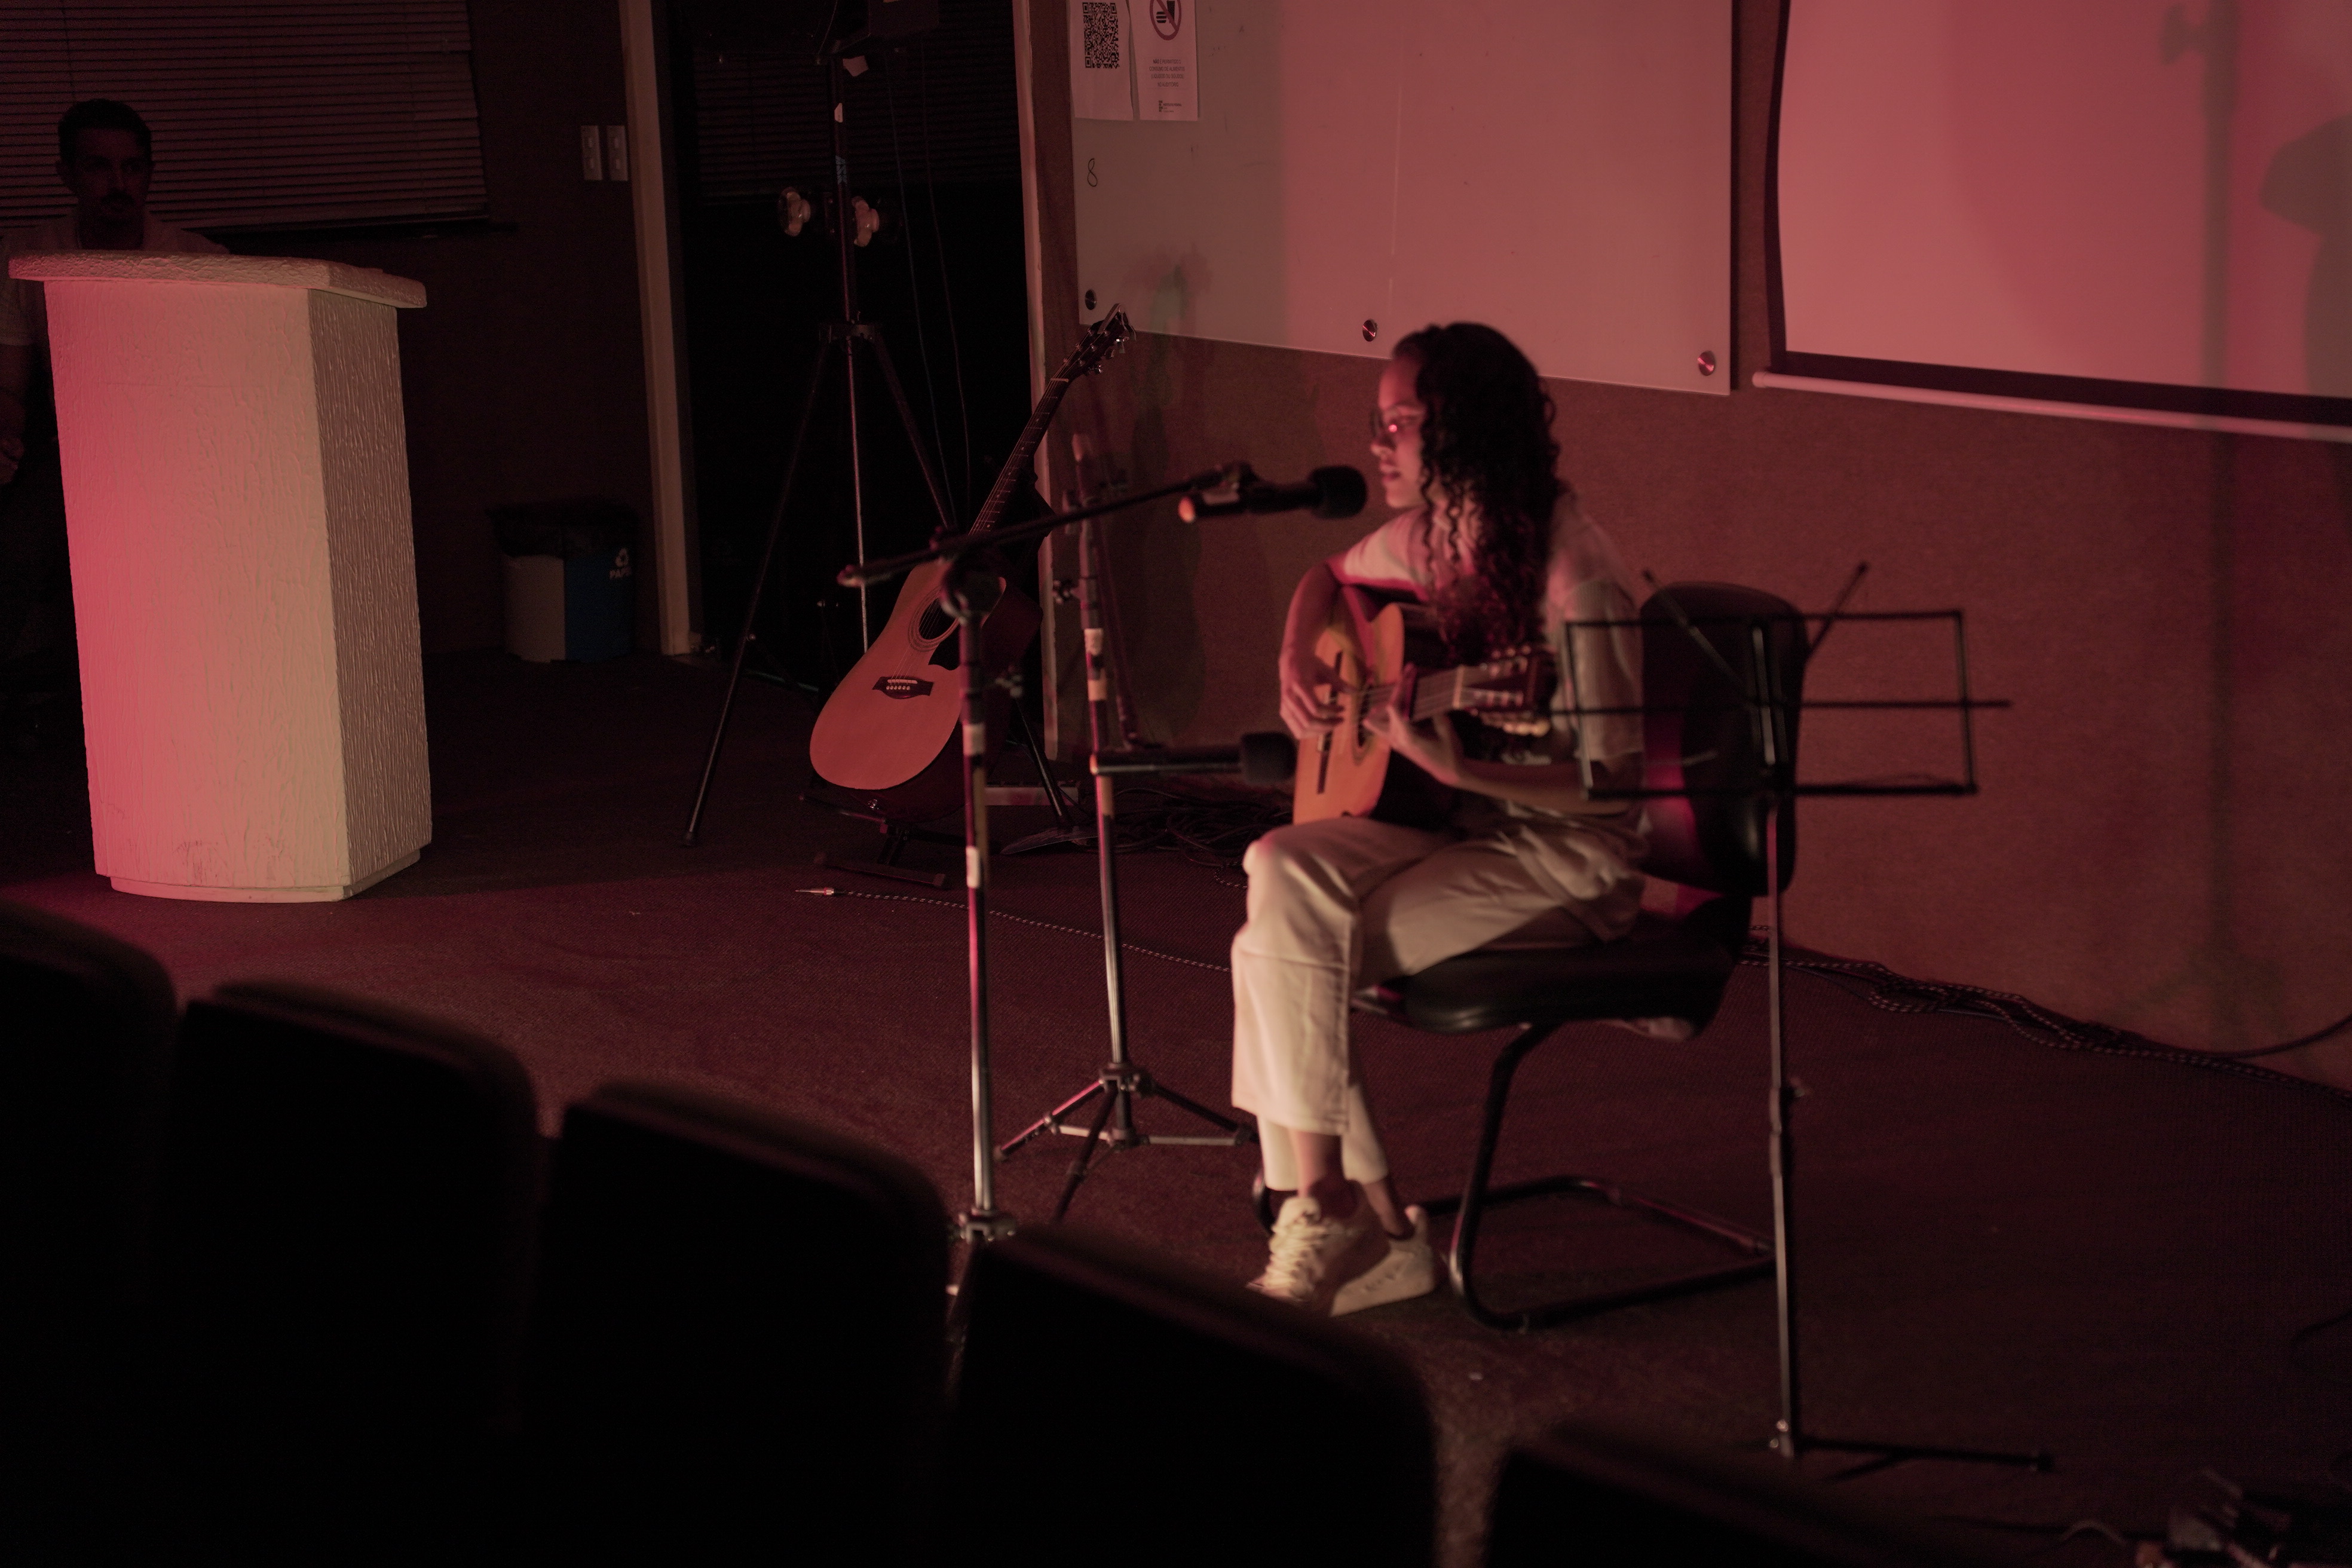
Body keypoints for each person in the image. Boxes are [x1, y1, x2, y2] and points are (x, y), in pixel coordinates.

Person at [1232, 321, 1651, 1315]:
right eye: (1379, 421)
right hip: (1459, 817)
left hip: (1567, 856)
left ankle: (1344, 1214)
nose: (1377, 442)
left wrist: (1460, 764)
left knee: (1281, 948)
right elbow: (1329, 578)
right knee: (1277, 866)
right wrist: (1295, 660)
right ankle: (1352, 1216)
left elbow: (1614, 790)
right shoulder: (1439, 532)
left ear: (1461, 431)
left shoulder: (1576, 578)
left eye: (1400, 422)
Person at [0, 100, 225, 705]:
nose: (118, 183)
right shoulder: (30, 258)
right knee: (18, 551)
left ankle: (179, 697)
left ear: (150, 172)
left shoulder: (199, 263)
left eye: (132, 167)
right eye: (99, 167)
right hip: (74, 450)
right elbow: (10, 388)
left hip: (176, 453)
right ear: (68, 174)